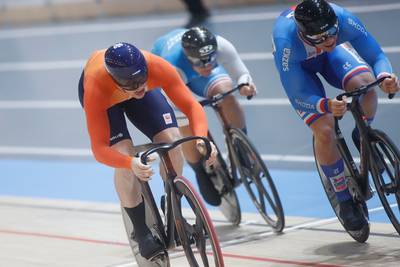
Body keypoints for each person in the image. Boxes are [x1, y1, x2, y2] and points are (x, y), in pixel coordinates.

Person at [78, 42, 217, 260]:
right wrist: (129, 163)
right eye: (130, 83)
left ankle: (172, 207)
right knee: (124, 153)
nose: (138, 87)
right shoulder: (96, 86)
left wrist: (201, 138)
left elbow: (192, 106)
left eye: (141, 78)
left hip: (126, 89)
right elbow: (99, 149)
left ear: (146, 69)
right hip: (108, 99)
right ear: (115, 79)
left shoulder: (156, 66)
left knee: (172, 140)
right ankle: (141, 231)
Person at [272, 0, 400, 231]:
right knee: (325, 130)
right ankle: (343, 199)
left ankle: (363, 136)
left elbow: (376, 54)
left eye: (332, 33)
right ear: (304, 34)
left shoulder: (343, 18)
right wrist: (325, 105)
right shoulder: (286, 42)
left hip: (332, 58)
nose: (329, 40)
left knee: (367, 86)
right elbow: (297, 94)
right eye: (320, 38)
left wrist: (385, 76)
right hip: (300, 71)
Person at [152, 26, 257, 206]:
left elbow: (242, 74)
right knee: (187, 126)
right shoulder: (172, 64)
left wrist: (245, 84)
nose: (207, 66)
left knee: (227, 95)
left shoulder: (222, 45)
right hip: (175, 79)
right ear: (189, 57)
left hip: (194, 74)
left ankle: (241, 147)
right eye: (201, 62)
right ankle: (199, 170)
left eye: (211, 60)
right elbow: (185, 106)